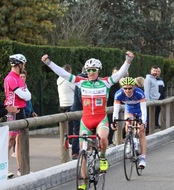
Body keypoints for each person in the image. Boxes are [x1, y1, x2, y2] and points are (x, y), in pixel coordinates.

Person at [41, 51, 134, 190]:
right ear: (86, 71)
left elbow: (120, 74)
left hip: (100, 119)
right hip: (86, 121)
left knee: (103, 138)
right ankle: (83, 181)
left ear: (98, 71)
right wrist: (49, 63)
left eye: (94, 70)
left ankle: (102, 157)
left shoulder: (105, 82)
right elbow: (63, 73)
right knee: (83, 152)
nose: (91, 73)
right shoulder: (80, 82)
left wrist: (128, 60)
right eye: (89, 70)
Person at [4, 54, 32, 177]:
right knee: (10, 141)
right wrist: (25, 94)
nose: (24, 66)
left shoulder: (19, 78)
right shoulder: (10, 78)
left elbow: (28, 95)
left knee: (20, 141)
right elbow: (24, 95)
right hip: (13, 111)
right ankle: (3, 168)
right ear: (19, 64)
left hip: (21, 110)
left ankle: (21, 168)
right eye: (23, 64)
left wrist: (25, 94)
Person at [112, 77, 147, 168]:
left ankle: (143, 158)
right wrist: (114, 121)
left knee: (141, 132)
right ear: (122, 88)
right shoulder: (118, 94)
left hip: (139, 110)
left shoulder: (139, 93)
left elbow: (144, 110)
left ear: (134, 87)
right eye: (125, 88)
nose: (127, 90)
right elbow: (115, 110)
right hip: (129, 109)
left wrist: (143, 122)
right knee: (128, 122)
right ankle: (128, 141)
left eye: (130, 88)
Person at [70, 66, 87, 160]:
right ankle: (77, 151)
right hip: (81, 109)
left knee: (76, 130)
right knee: (82, 130)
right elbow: (82, 96)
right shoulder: (83, 80)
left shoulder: (78, 79)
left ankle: (75, 151)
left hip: (75, 108)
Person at [57, 64, 75, 145]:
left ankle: (64, 140)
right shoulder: (68, 80)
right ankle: (70, 141)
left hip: (62, 103)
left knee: (64, 124)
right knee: (71, 124)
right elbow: (76, 88)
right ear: (68, 71)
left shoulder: (59, 80)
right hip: (70, 103)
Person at [106, 67, 121, 148]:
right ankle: (109, 142)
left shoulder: (118, 84)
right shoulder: (111, 84)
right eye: (115, 73)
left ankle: (110, 141)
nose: (116, 75)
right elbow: (115, 96)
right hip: (109, 107)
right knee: (110, 124)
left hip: (114, 107)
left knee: (113, 124)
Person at [144, 65, 160, 134]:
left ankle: (151, 131)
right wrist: (147, 102)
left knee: (152, 117)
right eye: (154, 71)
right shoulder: (148, 79)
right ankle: (147, 132)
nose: (155, 72)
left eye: (156, 71)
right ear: (151, 71)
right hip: (150, 102)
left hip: (155, 101)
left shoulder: (154, 79)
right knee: (148, 118)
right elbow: (146, 91)